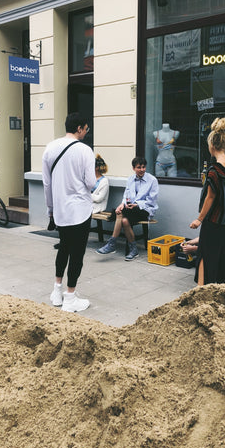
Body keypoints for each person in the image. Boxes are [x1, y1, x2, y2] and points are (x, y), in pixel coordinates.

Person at [42, 112, 96, 312]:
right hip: (80, 209)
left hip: (60, 210)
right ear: (79, 128)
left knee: (63, 248)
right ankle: (70, 297)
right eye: (86, 129)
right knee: (77, 253)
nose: (86, 132)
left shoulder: (50, 147)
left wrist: (50, 209)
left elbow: (46, 184)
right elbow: (90, 183)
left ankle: (57, 290)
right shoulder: (85, 150)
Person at [189, 117, 225, 285]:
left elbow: (210, 197)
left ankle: (202, 291)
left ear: (212, 145)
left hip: (214, 219)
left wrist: (199, 219)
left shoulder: (214, 170)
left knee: (205, 254)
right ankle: (218, 288)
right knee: (221, 256)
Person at [96, 156, 159, 261]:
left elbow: (151, 200)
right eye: (139, 167)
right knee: (124, 220)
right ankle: (133, 250)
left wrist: (137, 204)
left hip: (145, 209)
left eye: (143, 167)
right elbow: (126, 196)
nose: (142, 170)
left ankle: (112, 244)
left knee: (119, 213)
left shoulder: (152, 180)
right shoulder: (130, 179)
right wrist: (122, 204)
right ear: (133, 168)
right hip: (131, 210)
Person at [181, 216, 225, 280]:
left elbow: (214, 245)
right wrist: (189, 242)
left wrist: (193, 249)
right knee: (206, 247)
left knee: (213, 251)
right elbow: (207, 237)